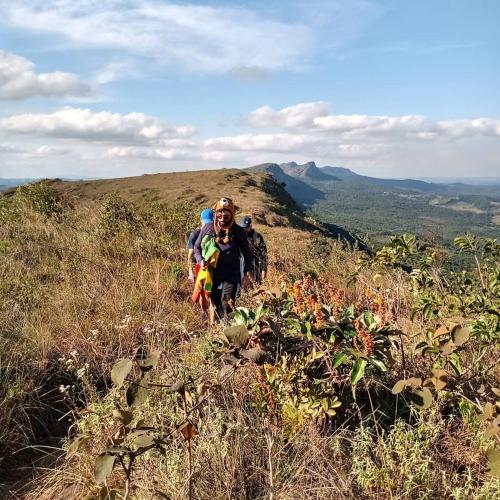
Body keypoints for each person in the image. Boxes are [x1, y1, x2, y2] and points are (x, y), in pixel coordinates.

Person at [193, 197, 252, 321]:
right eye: (220, 213)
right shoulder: (208, 228)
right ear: (216, 213)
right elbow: (197, 247)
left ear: (232, 214)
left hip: (231, 274)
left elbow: (247, 254)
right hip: (212, 273)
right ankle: (221, 330)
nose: (222, 217)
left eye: (226, 215)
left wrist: (247, 275)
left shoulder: (239, 231)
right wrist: (200, 260)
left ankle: (227, 329)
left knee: (227, 303)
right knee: (216, 303)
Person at [187, 208, 214, 283]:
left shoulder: (213, 232)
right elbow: (190, 255)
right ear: (201, 220)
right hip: (198, 266)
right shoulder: (195, 234)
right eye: (206, 222)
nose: (207, 224)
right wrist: (190, 272)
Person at [239, 216, 267, 284]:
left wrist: (264, 269)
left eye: (247, 227)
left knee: (257, 286)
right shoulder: (238, 237)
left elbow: (263, 254)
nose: (245, 229)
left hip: (256, 268)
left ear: (250, 226)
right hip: (242, 268)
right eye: (243, 228)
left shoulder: (257, 237)